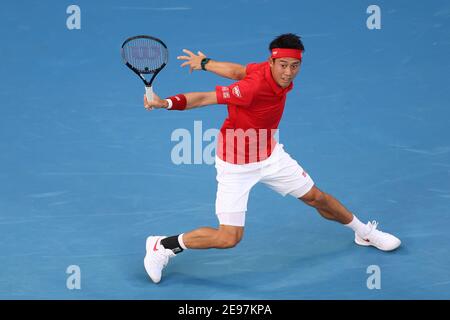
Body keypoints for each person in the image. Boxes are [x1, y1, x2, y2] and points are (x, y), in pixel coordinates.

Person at [142, 33, 401, 284]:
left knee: (316, 197)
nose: (288, 73)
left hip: (269, 155)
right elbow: (204, 98)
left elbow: (238, 70)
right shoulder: (252, 88)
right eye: (283, 66)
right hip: (236, 165)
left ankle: (364, 233)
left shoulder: (265, 72)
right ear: (272, 63)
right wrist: (165, 102)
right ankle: (162, 245)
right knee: (228, 238)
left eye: (295, 66)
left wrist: (206, 63)